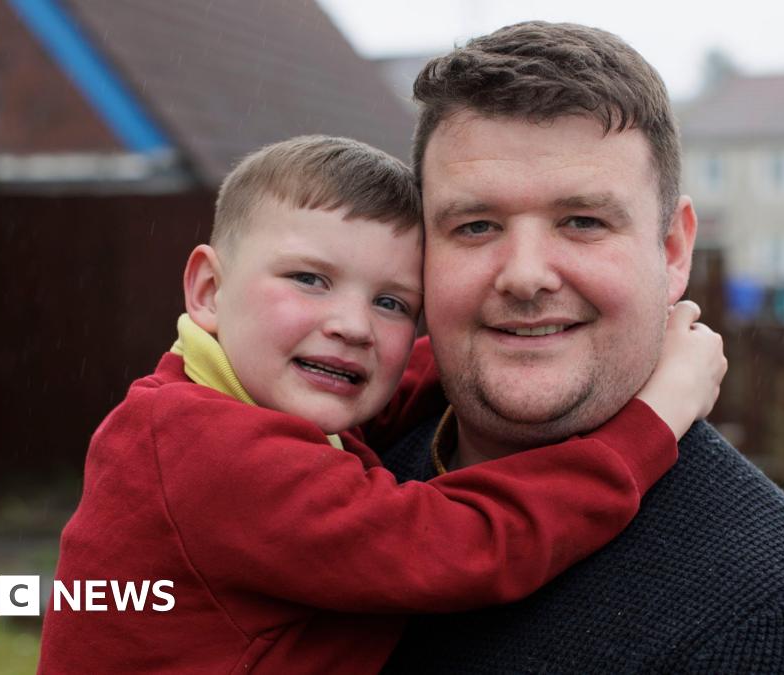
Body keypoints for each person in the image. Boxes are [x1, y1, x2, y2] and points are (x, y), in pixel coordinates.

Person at [37, 135, 727, 673]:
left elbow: (395, 386)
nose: (353, 326)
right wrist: (656, 415)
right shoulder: (211, 453)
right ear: (209, 290)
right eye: (310, 278)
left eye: (392, 302)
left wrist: (518, 344)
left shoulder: (201, 398)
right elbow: (468, 543)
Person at [377, 21, 784, 673]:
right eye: (475, 225)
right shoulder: (339, 466)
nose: (526, 274)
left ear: (673, 250)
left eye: (583, 222)